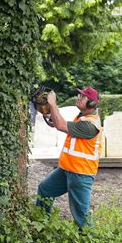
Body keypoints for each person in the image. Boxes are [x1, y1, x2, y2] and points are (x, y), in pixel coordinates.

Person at [36, 86, 102, 228]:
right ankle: (41, 223)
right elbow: (60, 124)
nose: (78, 98)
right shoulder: (81, 118)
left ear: (91, 104)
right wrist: (50, 113)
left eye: (82, 97)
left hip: (81, 173)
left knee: (81, 215)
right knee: (45, 189)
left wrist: (52, 103)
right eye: (79, 95)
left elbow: (61, 125)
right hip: (66, 169)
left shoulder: (90, 125)